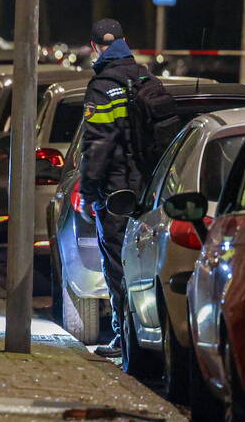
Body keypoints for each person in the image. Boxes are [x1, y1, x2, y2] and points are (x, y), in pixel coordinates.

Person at [79, 18, 151, 359]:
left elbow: (98, 146)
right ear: (123, 41)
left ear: (95, 46)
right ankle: (149, 332)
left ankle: (126, 340)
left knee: (118, 264)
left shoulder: (101, 87)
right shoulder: (145, 77)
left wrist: (88, 191)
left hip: (117, 192)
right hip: (150, 189)